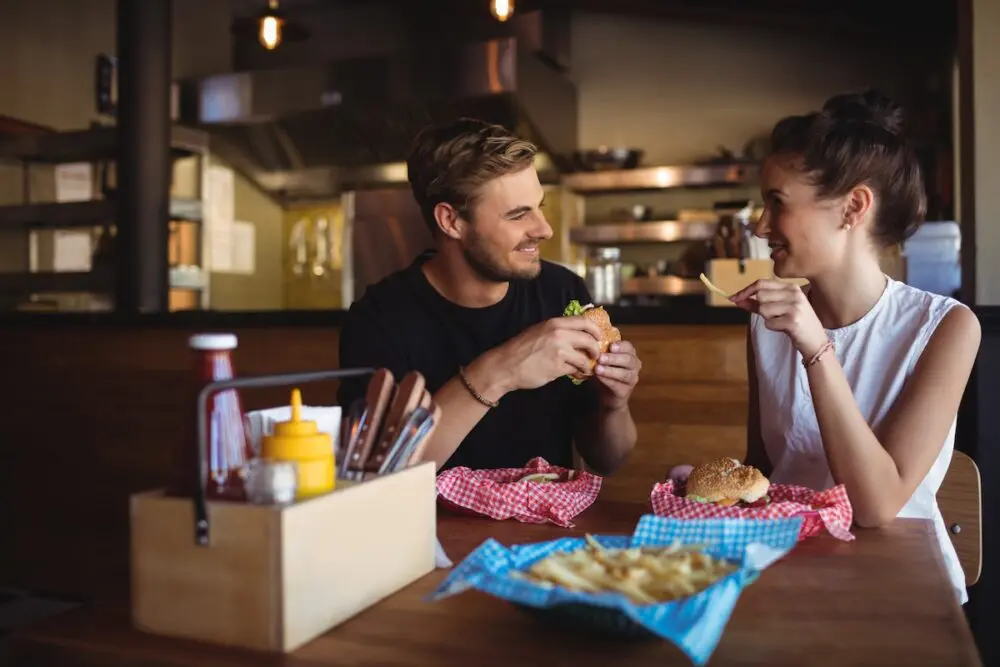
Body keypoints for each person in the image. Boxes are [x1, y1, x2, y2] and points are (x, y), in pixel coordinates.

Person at [725, 90, 978, 605]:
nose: (760, 225)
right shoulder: (767, 325)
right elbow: (766, 473)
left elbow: (876, 505)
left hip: (901, 593)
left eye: (777, 202)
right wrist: (716, 487)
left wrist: (817, 350)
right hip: (789, 580)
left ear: (853, 207)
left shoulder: (946, 328)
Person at [336, 118, 640, 475]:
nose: (544, 229)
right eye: (518, 215)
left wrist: (613, 405)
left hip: (546, 513)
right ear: (451, 221)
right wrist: (500, 370)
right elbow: (380, 475)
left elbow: (608, 460)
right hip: (430, 513)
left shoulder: (561, 292)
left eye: (539, 207)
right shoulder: (379, 319)